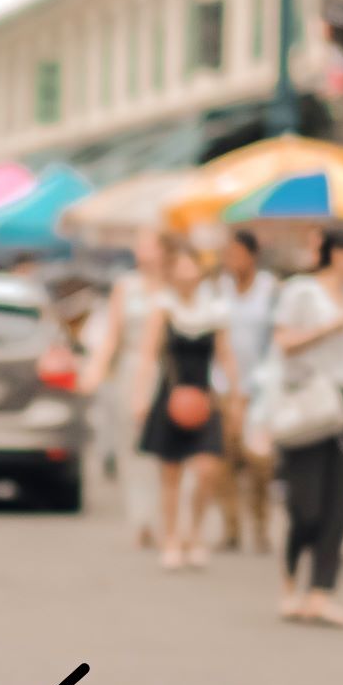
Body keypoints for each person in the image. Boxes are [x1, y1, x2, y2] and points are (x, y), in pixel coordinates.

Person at [271, 227, 343, 628]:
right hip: (309, 401)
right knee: (306, 504)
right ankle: (290, 583)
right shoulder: (301, 291)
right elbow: (284, 342)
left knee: (340, 503)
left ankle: (321, 593)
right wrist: (331, 327)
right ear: (336, 253)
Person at [134, 243, 239, 570]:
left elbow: (226, 355)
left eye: (189, 265)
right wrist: (140, 396)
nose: (185, 272)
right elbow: (148, 355)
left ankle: (195, 532)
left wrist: (235, 396)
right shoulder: (163, 308)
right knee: (171, 474)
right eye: (178, 266)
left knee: (207, 469)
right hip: (170, 395)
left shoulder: (215, 310)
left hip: (204, 396)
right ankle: (172, 539)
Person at [84, 226, 168, 546]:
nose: (141, 252)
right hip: (132, 368)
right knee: (134, 446)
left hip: (167, 370)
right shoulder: (126, 286)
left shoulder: (176, 285)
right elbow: (112, 336)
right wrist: (96, 369)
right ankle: (142, 517)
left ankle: (166, 517)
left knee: (166, 449)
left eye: (148, 245)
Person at [209, 229, 277, 553]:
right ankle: (230, 528)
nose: (231, 260)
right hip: (223, 385)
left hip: (260, 388)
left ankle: (261, 526)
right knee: (225, 460)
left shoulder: (270, 290)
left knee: (260, 462)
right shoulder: (217, 290)